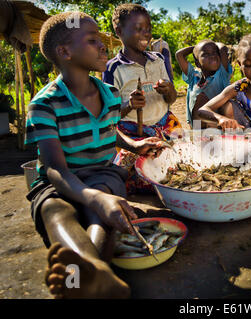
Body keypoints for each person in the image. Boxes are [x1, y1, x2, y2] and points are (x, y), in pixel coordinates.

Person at [26, 12, 167, 298]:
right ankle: (95, 272)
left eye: (101, 40)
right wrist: (95, 197)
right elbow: (55, 169)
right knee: (56, 211)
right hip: (59, 180)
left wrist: (133, 146)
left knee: (103, 209)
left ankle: (87, 278)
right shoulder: (44, 105)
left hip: (103, 174)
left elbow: (108, 129)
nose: (103, 46)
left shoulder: (111, 93)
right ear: (64, 52)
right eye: (92, 40)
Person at [103, 3, 182, 193]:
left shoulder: (158, 60)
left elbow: (171, 99)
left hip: (164, 125)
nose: (146, 34)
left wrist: (169, 90)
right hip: (133, 133)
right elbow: (110, 113)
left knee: (180, 165)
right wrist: (129, 105)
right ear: (119, 31)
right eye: (139, 29)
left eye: (148, 29)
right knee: (137, 176)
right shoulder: (114, 68)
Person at [175, 40, 232, 128]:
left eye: (214, 52)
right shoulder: (193, 77)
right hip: (196, 127)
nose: (212, 56)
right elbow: (179, 54)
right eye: (206, 54)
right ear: (197, 63)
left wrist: (207, 45)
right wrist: (197, 47)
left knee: (202, 99)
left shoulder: (222, 75)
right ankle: (197, 137)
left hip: (217, 126)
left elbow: (222, 48)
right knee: (197, 138)